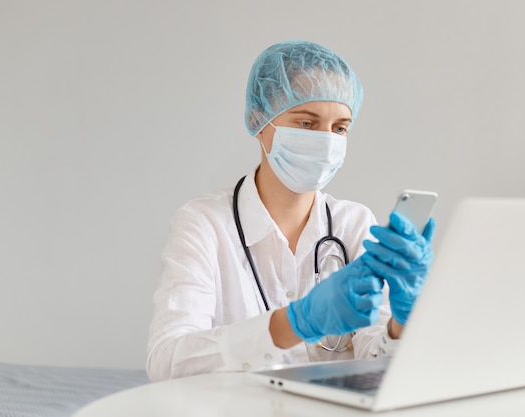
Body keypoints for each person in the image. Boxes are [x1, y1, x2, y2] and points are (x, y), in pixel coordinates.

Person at [146, 40, 436, 381]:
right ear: (258, 120)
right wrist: (295, 323)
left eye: (340, 128)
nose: (327, 141)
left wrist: (401, 324)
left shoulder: (355, 224)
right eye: (307, 124)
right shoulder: (204, 224)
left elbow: (375, 356)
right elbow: (166, 361)